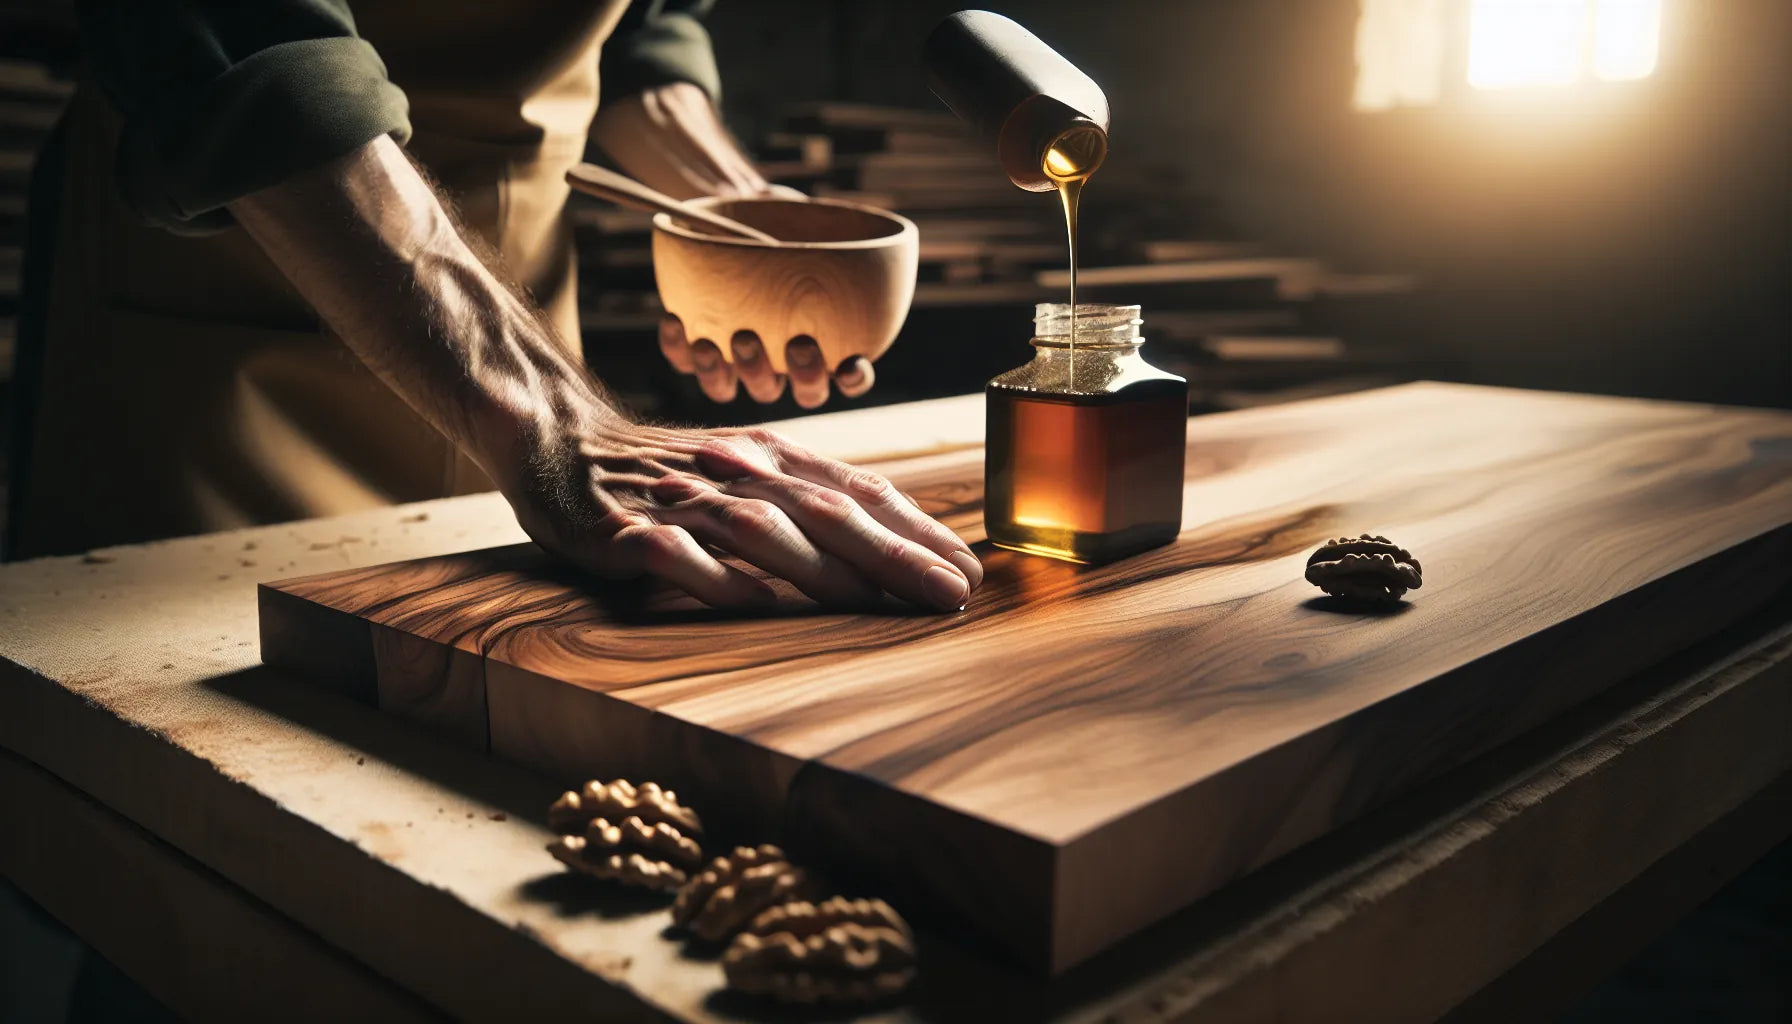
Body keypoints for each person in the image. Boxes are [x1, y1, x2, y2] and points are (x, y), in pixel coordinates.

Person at [7, 0, 982, 611]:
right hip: (236, 281)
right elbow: (241, 42)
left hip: (515, 312)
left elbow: (640, 30)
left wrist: (738, 217)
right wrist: (552, 419)